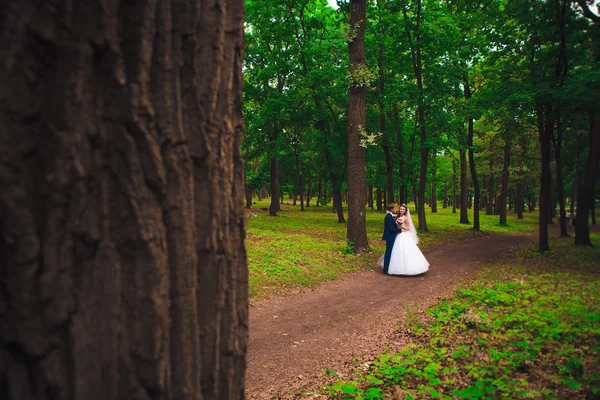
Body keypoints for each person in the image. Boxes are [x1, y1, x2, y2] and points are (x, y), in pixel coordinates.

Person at [387, 204, 429, 276]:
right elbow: (392, 216)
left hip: (403, 234)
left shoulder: (405, 218)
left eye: (403, 209)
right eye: (400, 209)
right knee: (397, 250)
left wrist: (402, 226)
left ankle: (409, 268)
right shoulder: (397, 216)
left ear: (405, 211)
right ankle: (397, 267)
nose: (401, 210)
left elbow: (408, 228)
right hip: (398, 234)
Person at [381, 203, 403, 274]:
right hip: (389, 237)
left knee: (390, 252)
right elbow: (391, 229)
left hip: (391, 236)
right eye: (395, 208)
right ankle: (386, 269)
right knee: (388, 252)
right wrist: (400, 230)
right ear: (391, 209)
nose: (396, 210)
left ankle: (388, 268)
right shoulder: (388, 217)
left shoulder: (390, 216)